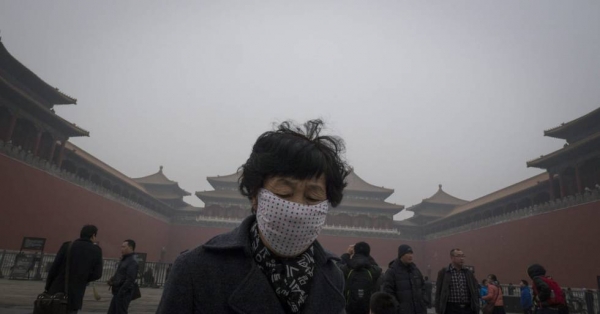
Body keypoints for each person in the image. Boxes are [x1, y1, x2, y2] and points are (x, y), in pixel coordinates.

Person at [156, 119, 351, 313]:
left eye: (312, 196)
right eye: (284, 193)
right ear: (255, 196)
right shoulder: (195, 270)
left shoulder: (332, 275)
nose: (297, 209)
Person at [45, 224, 103, 314]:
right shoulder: (96, 250)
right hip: (75, 295)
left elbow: (54, 269)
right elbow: (97, 274)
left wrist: (48, 287)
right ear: (93, 235)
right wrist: (83, 278)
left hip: (56, 290)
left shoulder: (67, 246)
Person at [383, 244, 427, 314]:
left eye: (411, 253)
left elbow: (423, 287)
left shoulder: (415, 270)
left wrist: (423, 302)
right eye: (408, 253)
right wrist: (398, 308)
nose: (410, 256)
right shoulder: (392, 272)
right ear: (401, 255)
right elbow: (388, 293)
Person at [340, 241, 382, 314]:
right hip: (367, 310)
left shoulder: (347, 269)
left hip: (348, 309)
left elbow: (337, 267)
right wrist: (366, 254)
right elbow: (378, 268)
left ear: (355, 252)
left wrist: (347, 254)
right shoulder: (374, 271)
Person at [434, 248, 479, 314]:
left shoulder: (468, 272)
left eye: (462, 256)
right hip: (451, 308)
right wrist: (438, 309)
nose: (461, 258)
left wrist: (476, 306)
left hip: (468, 308)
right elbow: (438, 292)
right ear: (452, 258)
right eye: (458, 256)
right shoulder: (444, 272)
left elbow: (475, 290)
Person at [108, 239, 139, 314]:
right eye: (121, 247)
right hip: (118, 291)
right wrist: (113, 279)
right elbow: (120, 273)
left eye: (124, 247)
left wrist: (121, 292)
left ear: (131, 248)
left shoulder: (132, 261)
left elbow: (130, 280)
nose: (121, 248)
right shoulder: (125, 259)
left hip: (123, 293)